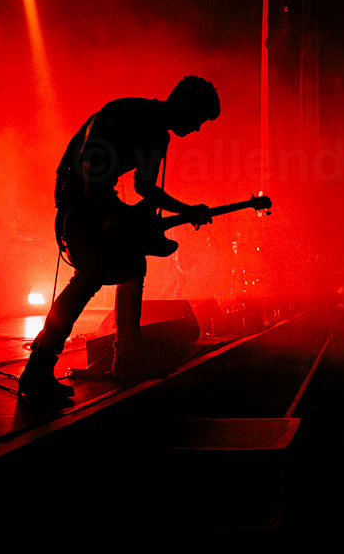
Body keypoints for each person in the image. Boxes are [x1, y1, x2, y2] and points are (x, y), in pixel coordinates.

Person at [18, 76, 221, 405]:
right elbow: (89, 167)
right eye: (198, 119)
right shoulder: (126, 113)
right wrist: (107, 217)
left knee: (129, 268)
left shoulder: (158, 136)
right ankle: (40, 369)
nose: (197, 128)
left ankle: (123, 357)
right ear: (185, 102)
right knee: (89, 279)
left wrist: (187, 210)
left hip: (96, 202)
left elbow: (145, 189)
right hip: (81, 203)